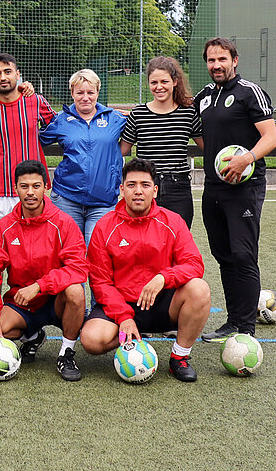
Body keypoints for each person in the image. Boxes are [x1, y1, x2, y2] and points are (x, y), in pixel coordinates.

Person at [80, 158, 210, 382]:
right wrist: (124, 316)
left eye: (145, 185)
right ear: (122, 190)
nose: (138, 191)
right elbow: (100, 282)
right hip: (121, 305)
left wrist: (163, 277)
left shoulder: (173, 221)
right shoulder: (105, 227)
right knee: (91, 340)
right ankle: (133, 337)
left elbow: (194, 264)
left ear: (155, 190)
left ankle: (179, 358)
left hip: (163, 305)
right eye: (131, 185)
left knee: (199, 289)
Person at [196, 38, 276, 342]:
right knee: (224, 254)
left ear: (235, 60)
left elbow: (270, 138)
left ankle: (246, 329)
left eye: (222, 59)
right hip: (213, 189)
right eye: (211, 60)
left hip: (244, 189)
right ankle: (232, 321)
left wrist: (246, 158)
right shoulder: (204, 96)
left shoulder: (249, 93)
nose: (216, 66)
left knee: (244, 255)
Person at [0, 160, 88, 381]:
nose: (30, 192)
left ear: (46, 186)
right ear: (15, 188)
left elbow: (78, 269)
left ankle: (66, 353)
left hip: (57, 299)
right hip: (22, 302)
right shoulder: (4, 227)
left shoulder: (64, 223)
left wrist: (40, 286)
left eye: (36, 186)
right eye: (24, 186)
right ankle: (33, 335)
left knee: (76, 290)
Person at [39, 68, 126, 247]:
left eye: (90, 92)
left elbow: (142, 126)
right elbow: (32, 140)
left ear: (97, 92)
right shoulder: (60, 120)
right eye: (80, 92)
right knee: (69, 253)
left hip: (103, 200)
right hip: (66, 198)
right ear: (72, 93)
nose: (85, 97)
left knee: (97, 253)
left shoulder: (115, 118)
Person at [0, 53, 56, 236]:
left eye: (7, 72)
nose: (3, 77)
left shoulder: (36, 101)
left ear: (18, 74)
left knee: (36, 246)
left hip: (31, 188)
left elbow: (60, 127)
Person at [120, 57, 204, 228]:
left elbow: (207, 147)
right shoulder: (139, 114)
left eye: (164, 81)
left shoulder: (187, 113)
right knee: (144, 241)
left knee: (178, 241)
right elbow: (120, 151)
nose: (159, 87)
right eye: (154, 82)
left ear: (174, 82)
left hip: (178, 188)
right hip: (146, 186)